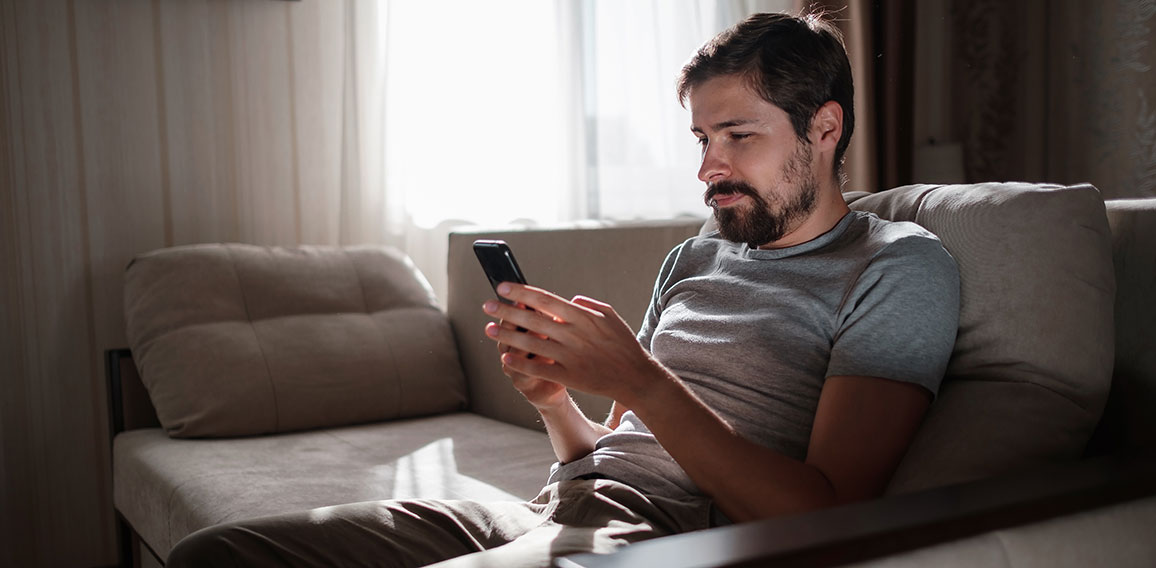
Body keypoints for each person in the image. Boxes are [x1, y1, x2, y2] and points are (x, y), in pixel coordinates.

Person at [167, 10, 959, 568]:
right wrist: (553, 402)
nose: (708, 167)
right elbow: (615, 453)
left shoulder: (897, 265)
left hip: (666, 537)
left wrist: (640, 377)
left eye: (739, 136)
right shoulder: (694, 258)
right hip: (555, 504)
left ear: (825, 128)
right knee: (223, 552)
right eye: (701, 138)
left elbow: (827, 517)